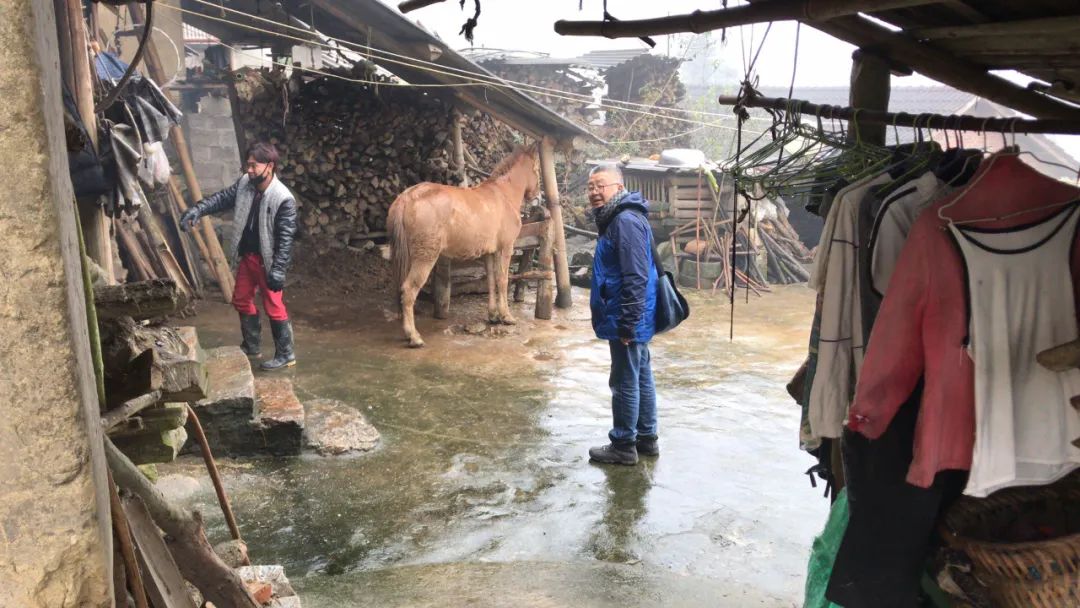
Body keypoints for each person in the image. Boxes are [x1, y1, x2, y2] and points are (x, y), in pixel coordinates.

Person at [180, 142, 298, 371]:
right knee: (241, 299)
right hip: (248, 257)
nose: (249, 170)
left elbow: (286, 238)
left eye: (254, 165)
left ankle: (286, 354)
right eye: (248, 165)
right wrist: (198, 210)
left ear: (270, 166)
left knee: (273, 306)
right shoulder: (246, 184)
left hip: (268, 261)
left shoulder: (283, 198)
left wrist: (278, 269)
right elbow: (222, 198)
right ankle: (252, 346)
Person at [586, 164, 659, 466]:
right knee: (640, 374)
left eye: (600, 185)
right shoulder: (619, 217)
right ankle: (647, 438)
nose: (593, 192)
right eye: (590, 187)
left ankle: (624, 445)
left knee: (625, 379)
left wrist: (627, 322)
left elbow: (636, 276)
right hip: (632, 311)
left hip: (628, 313)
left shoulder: (625, 221)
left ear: (618, 186)